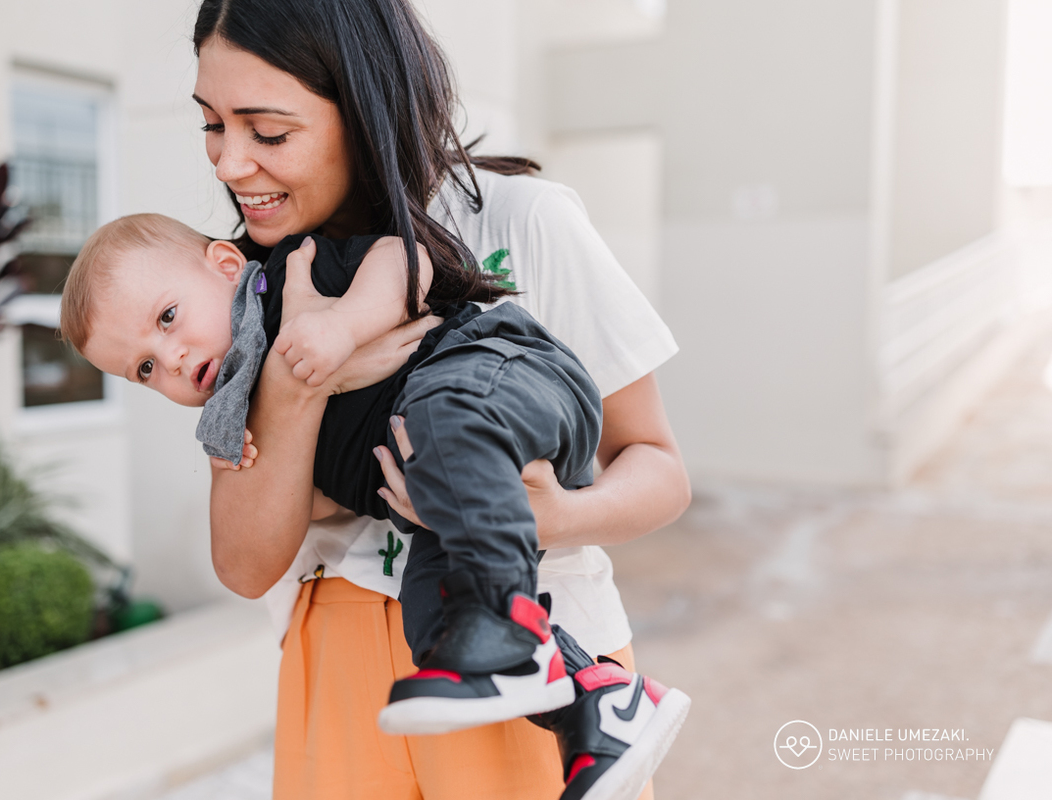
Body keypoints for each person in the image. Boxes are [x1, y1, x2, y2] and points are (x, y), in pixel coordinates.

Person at [186, 1, 692, 798]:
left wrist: (549, 515)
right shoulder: (245, 285)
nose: (230, 163)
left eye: (268, 132)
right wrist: (298, 379)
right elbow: (247, 564)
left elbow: (658, 468)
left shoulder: (523, 218)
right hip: (338, 663)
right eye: (212, 125)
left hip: (527, 664)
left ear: (363, 104)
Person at [59, 213, 691, 798]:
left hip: (494, 375)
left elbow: (406, 256)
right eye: (144, 368)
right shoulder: (245, 414)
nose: (169, 358)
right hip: (436, 513)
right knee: (436, 622)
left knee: (444, 420)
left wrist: (345, 324)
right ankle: (598, 703)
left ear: (226, 265)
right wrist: (293, 413)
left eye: (168, 318)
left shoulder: (287, 285)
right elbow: (310, 510)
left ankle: (503, 619)